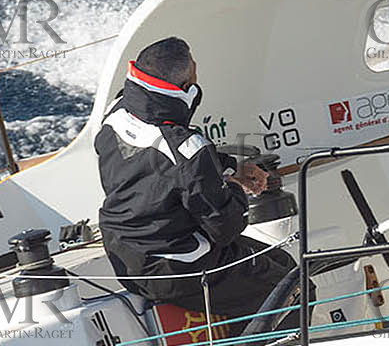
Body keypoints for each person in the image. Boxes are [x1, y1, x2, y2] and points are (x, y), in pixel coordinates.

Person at [94, 37, 297, 330]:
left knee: (277, 260)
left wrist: (229, 168)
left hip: (126, 255)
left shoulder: (118, 110)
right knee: (291, 286)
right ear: (187, 87)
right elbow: (226, 228)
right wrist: (234, 187)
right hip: (175, 268)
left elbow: (166, 168)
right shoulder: (186, 149)